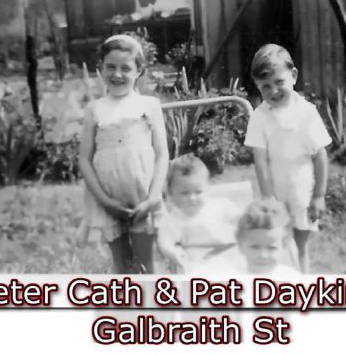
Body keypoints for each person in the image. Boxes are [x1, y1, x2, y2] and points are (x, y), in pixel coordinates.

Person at [77, 34, 169, 273]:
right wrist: (104, 201)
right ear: (100, 69)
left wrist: (152, 198)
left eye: (126, 68)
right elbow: (84, 158)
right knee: (122, 265)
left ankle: (152, 308)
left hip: (142, 195)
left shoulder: (148, 105)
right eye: (110, 67)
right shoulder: (94, 109)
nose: (117, 74)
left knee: (145, 264)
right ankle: (126, 307)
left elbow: (162, 154)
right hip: (108, 198)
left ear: (139, 71)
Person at [244, 44, 331, 273]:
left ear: (293, 76)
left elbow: (320, 155)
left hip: (302, 191)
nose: (273, 91)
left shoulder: (307, 112)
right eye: (265, 87)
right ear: (257, 87)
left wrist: (319, 196)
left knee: (300, 246)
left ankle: (302, 290)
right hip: (275, 193)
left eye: (279, 82)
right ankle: (280, 293)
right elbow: (260, 162)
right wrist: (268, 199)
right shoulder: (259, 117)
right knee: (278, 245)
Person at [157, 154, 241, 273]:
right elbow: (165, 241)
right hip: (195, 264)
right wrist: (173, 253)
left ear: (207, 188)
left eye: (198, 192)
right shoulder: (173, 219)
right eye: (184, 193)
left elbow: (243, 220)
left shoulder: (220, 206)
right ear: (171, 194)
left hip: (227, 260)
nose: (192, 198)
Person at [235, 197, 300, 277]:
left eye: (271, 248)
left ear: (284, 245)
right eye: (254, 247)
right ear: (241, 246)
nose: (263, 255)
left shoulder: (292, 278)